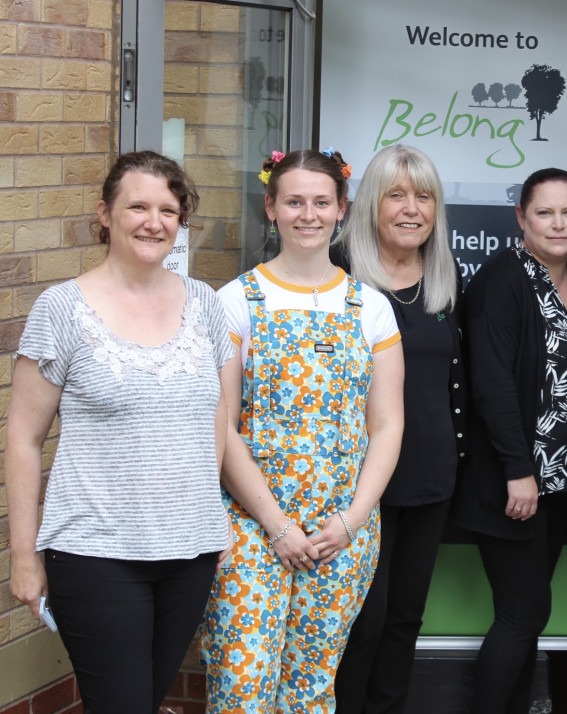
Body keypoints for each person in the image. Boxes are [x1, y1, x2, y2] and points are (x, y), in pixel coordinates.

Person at [6, 151, 232, 712]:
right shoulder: (60, 308)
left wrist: (213, 518)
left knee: (147, 700)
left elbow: (218, 420)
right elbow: (23, 439)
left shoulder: (205, 304)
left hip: (190, 551)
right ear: (105, 213)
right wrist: (24, 557)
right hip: (94, 552)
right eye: (137, 206)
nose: (153, 221)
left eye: (168, 209)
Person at [200, 149, 405, 713]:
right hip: (251, 527)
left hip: (341, 531)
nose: (307, 214)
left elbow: (387, 425)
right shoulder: (236, 301)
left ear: (342, 209)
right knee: (244, 687)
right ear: (271, 208)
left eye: (321, 202)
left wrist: (352, 519)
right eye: (294, 201)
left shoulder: (372, 309)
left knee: (312, 688)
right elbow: (221, 425)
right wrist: (275, 524)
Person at [451, 168, 567, 714]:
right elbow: (490, 384)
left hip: (562, 479)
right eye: (544, 212)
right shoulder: (502, 280)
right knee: (522, 613)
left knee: (529, 615)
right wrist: (518, 470)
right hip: (515, 481)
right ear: (521, 218)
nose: (557, 223)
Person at [330, 144, 464, 714]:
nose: (412, 209)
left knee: (405, 617)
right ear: (369, 206)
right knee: (363, 620)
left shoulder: (442, 275)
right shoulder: (337, 272)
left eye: (424, 196)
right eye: (396, 195)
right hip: (360, 484)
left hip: (432, 478)